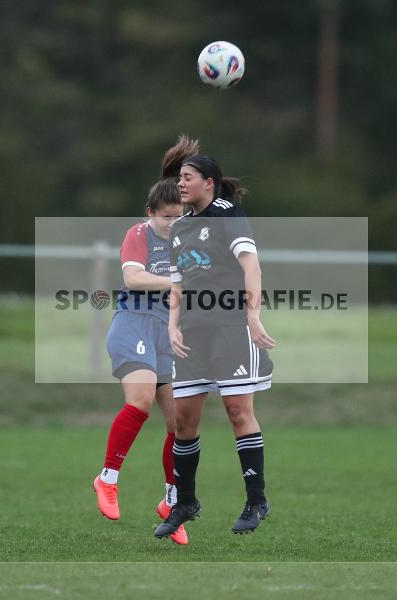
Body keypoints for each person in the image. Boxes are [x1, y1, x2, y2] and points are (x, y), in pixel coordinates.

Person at [153, 147, 276, 539]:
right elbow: (177, 283)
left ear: (208, 183)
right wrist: (173, 326)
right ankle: (185, 502)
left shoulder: (228, 214)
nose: (180, 184)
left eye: (187, 178)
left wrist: (252, 315)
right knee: (183, 419)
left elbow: (250, 265)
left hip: (230, 328)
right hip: (192, 332)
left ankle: (256, 501)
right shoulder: (181, 227)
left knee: (238, 412)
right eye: (179, 179)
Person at [92, 137, 200, 545]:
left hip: (168, 333)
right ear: (150, 213)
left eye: (180, 216)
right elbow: (132, 277)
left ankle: (172, 501)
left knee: (181, 422)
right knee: (138, 402)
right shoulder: (139, 234)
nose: (175, 223)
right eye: (168, 217)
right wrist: (177, 281)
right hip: (134, 324)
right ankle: (107, 479)